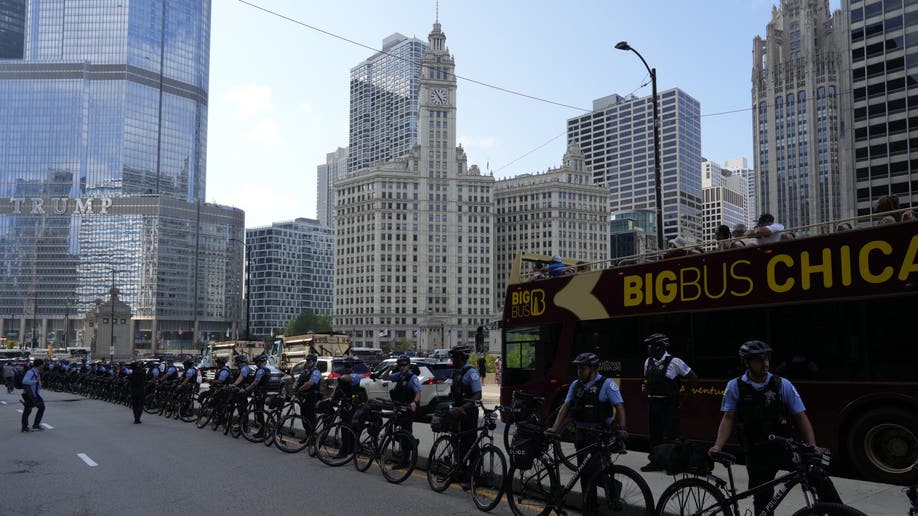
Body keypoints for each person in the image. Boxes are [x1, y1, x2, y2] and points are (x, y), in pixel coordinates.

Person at [709, 341, 823, 516]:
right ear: (747, 363)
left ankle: (832, 509)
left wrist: (812, 446)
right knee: (763, 500)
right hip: (756, 450)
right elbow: (728, 418)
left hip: (783, 446)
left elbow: (801, 416)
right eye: (758, 360)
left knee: (815, 473)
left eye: (767, 359)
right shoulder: (735, 386)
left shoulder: (782, 384)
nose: (765, 364)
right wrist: (718, 446)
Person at [548, 353, 627, 515]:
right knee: (584, 474)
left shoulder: (606, 384)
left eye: (582, 369)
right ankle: (589, 509)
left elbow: (619, 407)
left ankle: (611, 493)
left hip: (599, 434)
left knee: (598, 471)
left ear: (593, 370)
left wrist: (622, 428)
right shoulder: (576, 384)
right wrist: (555, 427)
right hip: (581, 433)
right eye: (577, 368)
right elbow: (566, 406)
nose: (579, 372)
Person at [640, 333, 697, 472]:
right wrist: (646, 388)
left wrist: (682, 396)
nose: (649, 348)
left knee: (672, 435)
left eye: (651, 346)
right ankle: (656, 462)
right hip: (653, 403)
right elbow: (646, 379)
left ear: (660, 347)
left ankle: (673, 464)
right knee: (654, 435)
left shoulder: (675, 362)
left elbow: (693, 377)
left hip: (669, 404)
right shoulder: (648, 361)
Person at [448, 345, 482, 490]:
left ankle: (473, 477)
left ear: (461, 357)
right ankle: (460, 474)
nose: (452, 359)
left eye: (454, 357)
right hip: (456, 413)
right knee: (457, 444)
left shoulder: (471, 373)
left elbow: (477, 395)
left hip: (468, 413)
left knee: (471, 445)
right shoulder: (456, 372)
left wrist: (462, 408)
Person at [387, 355, 421, 435]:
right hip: (399, 406)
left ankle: (411, 444)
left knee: (406, 430)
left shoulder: (413, 377)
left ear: (408, 365)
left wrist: (414, 402)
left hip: (408, 408)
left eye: (404, 365)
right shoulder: (399, 375)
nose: (402, 367)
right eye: (400, 365)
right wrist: (390, 369)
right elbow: (385, 377)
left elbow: (418, 392)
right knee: (389, 429)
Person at [243, 354, 270, 438]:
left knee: (259, 413)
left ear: (259, 362)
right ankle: (263, 430)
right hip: (263, 392)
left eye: (256, 362)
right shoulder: (267, 370)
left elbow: (255, 383)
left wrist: (246, 389)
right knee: (259, 411)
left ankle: (262, 431)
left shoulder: (260, 371)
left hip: (259, 393)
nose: (256, 364)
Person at [294, 353, 322, 429]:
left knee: (310, 416)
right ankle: (307, 435)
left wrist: (300, 388)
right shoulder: (305, 371)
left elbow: (310, 384)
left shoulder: (316, 372)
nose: (308, 362)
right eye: (307, 361)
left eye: (310, 361)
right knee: (303, 415)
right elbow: (298, 380)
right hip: (304, 397)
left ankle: (311, 435)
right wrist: (295, 386)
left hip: (312, 397)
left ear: (314, 362)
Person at [21, 359, 46, 432]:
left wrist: (39, 384)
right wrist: (36, 381)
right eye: (43, 364)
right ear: (40, 365)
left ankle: (35, 425)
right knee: (28, 410)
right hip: (29, 394)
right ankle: (25, 427)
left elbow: (37, 384)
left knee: (41, 407)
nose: (43, 365)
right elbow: (24, 381)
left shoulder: (37, 372)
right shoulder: (31, 372)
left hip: (35, 394)